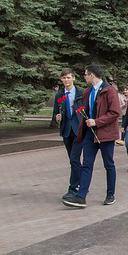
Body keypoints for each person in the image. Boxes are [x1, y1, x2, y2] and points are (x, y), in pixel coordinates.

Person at [63, 64, 121, 207]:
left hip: (105, 134)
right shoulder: (87, 92)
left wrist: (97, 121)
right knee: (87, 164)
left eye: (85, 74)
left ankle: (110, 194)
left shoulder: (109, 90)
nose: (84, 77)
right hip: (90, 134)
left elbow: (114, 113)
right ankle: (81, 196)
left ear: (92, 75)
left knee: (109, 164)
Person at [53, 68, 84, 199]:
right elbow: (55, 112)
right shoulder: (59, 96)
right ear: (61, 80)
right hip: (67, 131)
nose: (66, 80)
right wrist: (57, 117)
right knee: (73, 161)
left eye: (68, 77)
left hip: (78, 130)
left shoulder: (81, 93)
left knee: (74, 159)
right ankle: (83, 183)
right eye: (64, 78)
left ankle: (73, 188)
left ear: (73, 78)